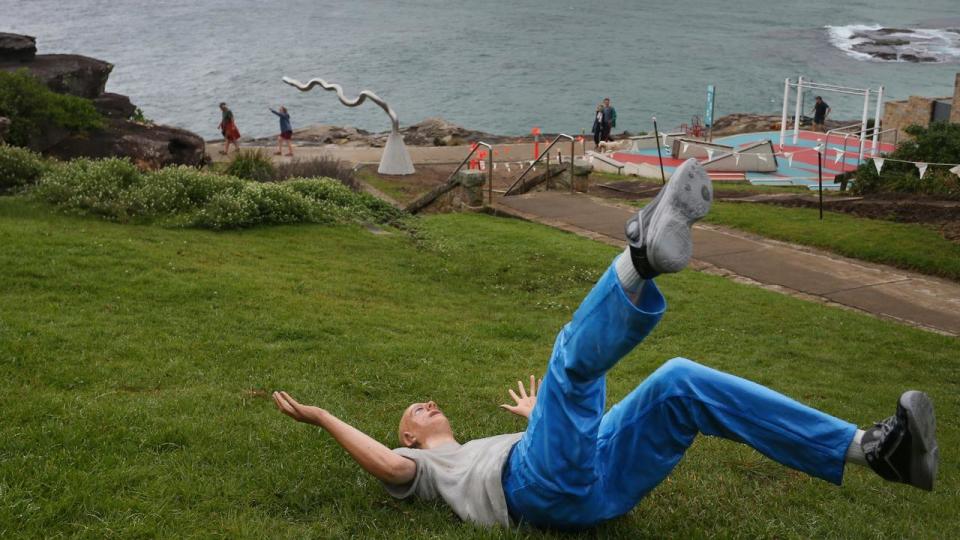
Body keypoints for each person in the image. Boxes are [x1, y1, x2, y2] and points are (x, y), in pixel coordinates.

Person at [272, 159, 939, 530]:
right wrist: (322, 416)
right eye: (413, 414)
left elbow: (551, 450)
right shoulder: (422, 470)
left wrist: (540, 423)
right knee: (569, 364)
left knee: (680, 382)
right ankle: (638, 257)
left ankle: (876, 451)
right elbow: (386, 469)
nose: (425, 403)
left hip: (590, 488)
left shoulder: (474, 451)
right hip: (538, 491)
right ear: (408, 441)